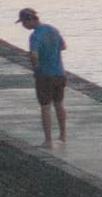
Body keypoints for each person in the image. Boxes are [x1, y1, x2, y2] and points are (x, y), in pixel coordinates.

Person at [17, 8, 71, 146]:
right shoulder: (53, 30)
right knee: (59, 104)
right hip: (60, 73)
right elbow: (63, 46)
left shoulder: (35, 36)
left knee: (45, 107)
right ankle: (63, 135)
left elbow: (34, 55)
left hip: (45, 75)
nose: (23, 26)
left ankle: (48, 140)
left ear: (30, 20)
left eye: (23, 22)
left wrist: (36, 67)